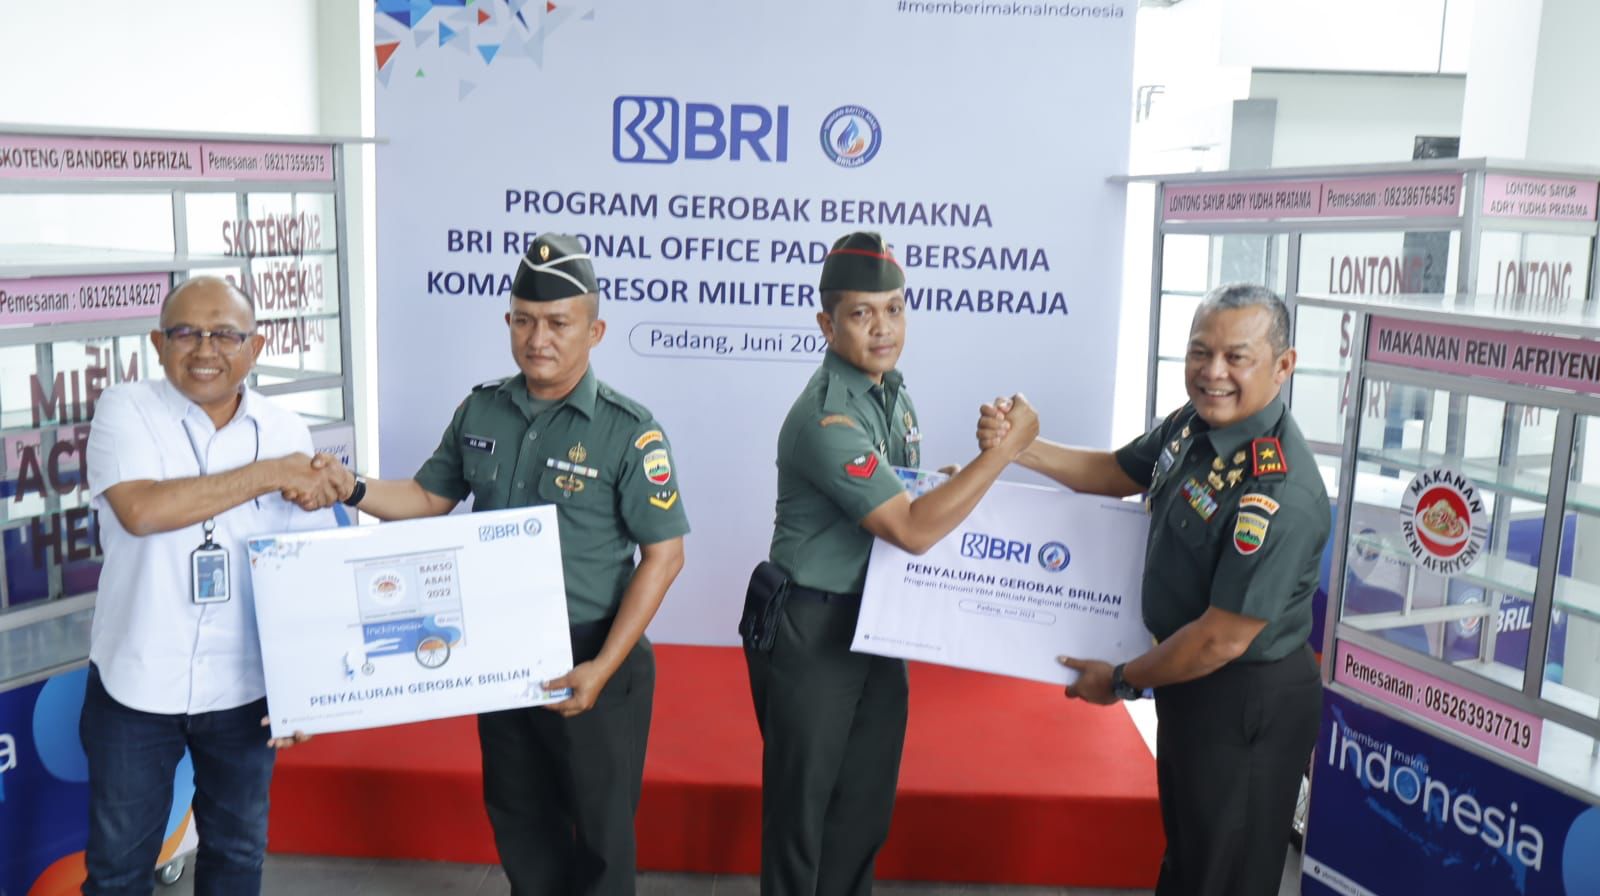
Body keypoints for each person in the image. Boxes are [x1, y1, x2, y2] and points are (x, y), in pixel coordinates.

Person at [319, 233, 688, 896]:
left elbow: (664, 554)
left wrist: (602, 668)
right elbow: (429, 497)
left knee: (601, 838)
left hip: (592, 647)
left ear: (594, 330)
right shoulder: (482, 408)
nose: (536, 338)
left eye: (556, 323)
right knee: (520, 819)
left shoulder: (629, 429)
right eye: (522, 320)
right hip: (498, 648)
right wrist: (350, 486)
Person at [979, 282, 1327, 896]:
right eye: (1200, 352)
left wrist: (1119, 681)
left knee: (1224, 877)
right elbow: (1114, 472)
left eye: (1235, 357)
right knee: (1191, 860)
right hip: (1190, 686)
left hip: (1242, 702)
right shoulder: (1193, 425)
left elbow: (1221, 639)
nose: (1212, 372)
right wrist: (1015, 450)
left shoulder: (1278, 490)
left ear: (1283, 366)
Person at [744, 231, 1039, 896]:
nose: (884, 328)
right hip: (814, 626)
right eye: (862, 313)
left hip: (879, 620)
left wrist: (954, 476)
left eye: (896, 309)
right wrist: (1005, 455)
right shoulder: (826, 417)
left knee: (864, 807)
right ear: (826, 323)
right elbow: (908, 527)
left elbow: (903, 491)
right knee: (803, 814)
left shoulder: (891, 394)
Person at [82, 276, 342, 895]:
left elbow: (298, 567)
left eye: (226, 334)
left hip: (245, 688)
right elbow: (143, 511)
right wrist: (271, 475)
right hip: (137, 686)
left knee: (236, 857)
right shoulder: (125, 410)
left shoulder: (286, 431)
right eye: (186, 333)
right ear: (157, 342)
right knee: (118, 870)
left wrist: (304, 688)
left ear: (256, 346)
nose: (206, 349)